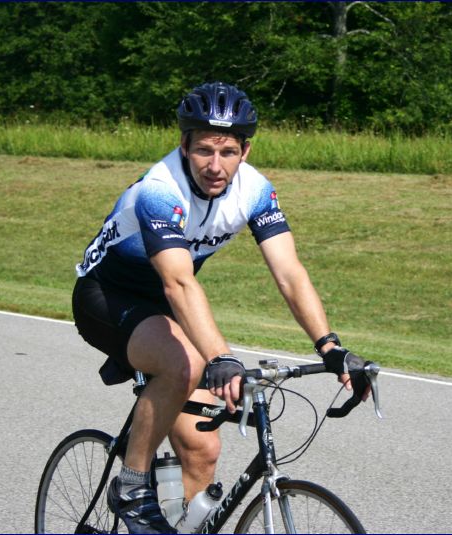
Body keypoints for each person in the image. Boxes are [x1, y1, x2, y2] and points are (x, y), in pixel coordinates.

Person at [71, 81, 367, 534]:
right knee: (187, 364)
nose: (215, 165)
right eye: (204, 150)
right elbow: (178, 282)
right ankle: (130, 486)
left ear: (245, 150)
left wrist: (330, 347)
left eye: (228, 152)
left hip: (166, 307)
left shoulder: (255, 190)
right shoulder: (160, 190)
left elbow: (289, 273)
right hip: (106, 297)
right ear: (184, 146)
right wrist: (220, 357)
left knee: (202, 449)